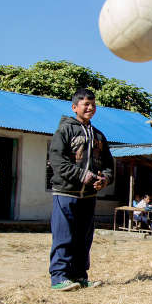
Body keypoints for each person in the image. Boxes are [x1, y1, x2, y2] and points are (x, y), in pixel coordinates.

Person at [48, 88, 114, 290]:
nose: (90, 107)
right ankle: (59, 277)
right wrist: (81, 175)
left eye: (93, 104)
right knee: (64, 235)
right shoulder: (65, 130)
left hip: (89, 196)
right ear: (74, 107)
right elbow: (57, 161)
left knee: (84, 237)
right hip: (66, 193)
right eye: (86, 104)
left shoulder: (99, 136)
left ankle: (79, 276)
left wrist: (105, 179)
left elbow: (108, 165)